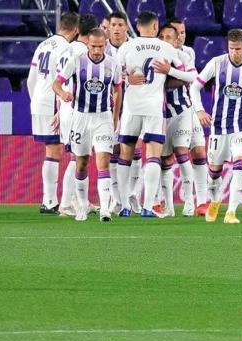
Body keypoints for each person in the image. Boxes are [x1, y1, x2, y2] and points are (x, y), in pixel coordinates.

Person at [189, 28, 242, 224]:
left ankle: (231, 212)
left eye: (237, 49)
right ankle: (215, 200)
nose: (234, 53)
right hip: (218, 127)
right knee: (214, 173)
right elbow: (195, 86)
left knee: (239, 166)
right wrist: (200, 110)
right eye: (231, 48)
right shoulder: (217, 63)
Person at [115, 11, 192, 218]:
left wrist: (126, 79)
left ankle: (124, 206)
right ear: (156, 26)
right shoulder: (166, 47)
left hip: (131, 108)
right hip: (154, 109)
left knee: (125, 157)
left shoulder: (126, 47)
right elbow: (191, 76)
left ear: (137, 27)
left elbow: (112, 75)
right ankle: (148, 206)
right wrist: (170, 70)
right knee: (153, 156)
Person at [52, 28, 123, 221]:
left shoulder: (113, 64)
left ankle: (105, 209)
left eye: (101, 46)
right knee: (81, 164)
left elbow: (118, 89)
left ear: (105, 45)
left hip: (103, 118)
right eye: (93, 46)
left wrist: (116, 115)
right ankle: (82, 206)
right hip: (81, 118)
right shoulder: (76, 61)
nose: (97, 50)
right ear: (88, 44)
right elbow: (56, 83)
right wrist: (63, 93)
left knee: (103, 162)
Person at [27, 11, 79, 214]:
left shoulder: (43, 44)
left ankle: (49, 200)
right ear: (76, 30)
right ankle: (50, 201)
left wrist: (35, 102)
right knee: (55, 151)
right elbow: (61, 80)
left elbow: (31, 79)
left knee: (51, 150)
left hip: (38, 101)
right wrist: (59, 108)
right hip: (53, 103)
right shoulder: (67, 48)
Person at [56, 13, 98, 217]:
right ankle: (65, 203)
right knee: (78, 158)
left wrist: (58, 110)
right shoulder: (84, 54)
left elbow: (58, 81)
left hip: (66, 108)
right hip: (77, 110)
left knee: (79, 156)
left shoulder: (67, 48)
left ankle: (77, 200)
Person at [157, 23, 198, 217]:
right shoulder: (154, 57)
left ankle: (189, 201)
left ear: (176, 40)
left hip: (182, 111)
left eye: (169, 38)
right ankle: (169, 207)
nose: (165, 41)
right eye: (162, 37)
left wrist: (169, 72)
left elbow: (192, 77)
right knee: (164, 159)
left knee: (181, 152)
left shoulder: (183, 56)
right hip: (161, 115)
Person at [170, 18, 209, 216]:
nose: (181, 36)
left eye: (183, 32)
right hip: (169, 111)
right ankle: (179, 201)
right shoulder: (163, 52)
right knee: (170, 157)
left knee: (200, 152)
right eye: (177, 32)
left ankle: (202, 201)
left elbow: (194, 79)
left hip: (189, 107)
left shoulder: (188, 52)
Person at [104, 11, 130, 213]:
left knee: (133, 151)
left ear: (126, 27)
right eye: (113, 24)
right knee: (111, 151)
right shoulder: (100, 50)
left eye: (120, 24)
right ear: (108, 27)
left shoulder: (135, 48)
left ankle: (131, 196)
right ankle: (116, 199)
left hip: (132, 107)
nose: (117, 28)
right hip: (107, 110)